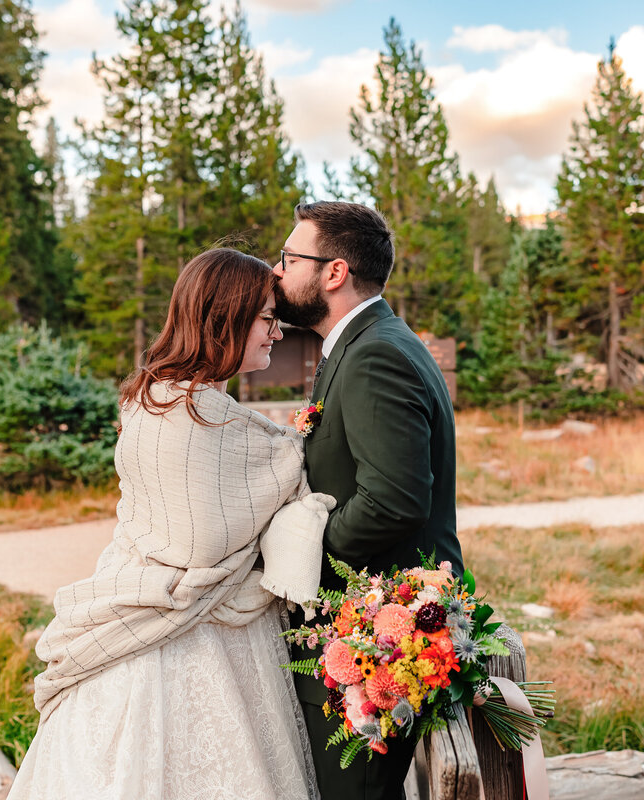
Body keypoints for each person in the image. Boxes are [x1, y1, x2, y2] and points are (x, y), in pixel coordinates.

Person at [9, 248, 327, 800]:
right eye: (267, 320)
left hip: (147, 600)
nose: (276, 334)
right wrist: (296, 459)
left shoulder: (151, 396)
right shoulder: (198, 417)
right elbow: (203, 537)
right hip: (191, 636)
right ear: (225, 318)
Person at [275, 201, 464, 800]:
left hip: (374, 638)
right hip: (368, 624)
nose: (277, 272)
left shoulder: (374, 354)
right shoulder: (365, 343)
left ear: (333, 273)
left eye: (288, 258)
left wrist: (299, 550)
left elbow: (393, 501)